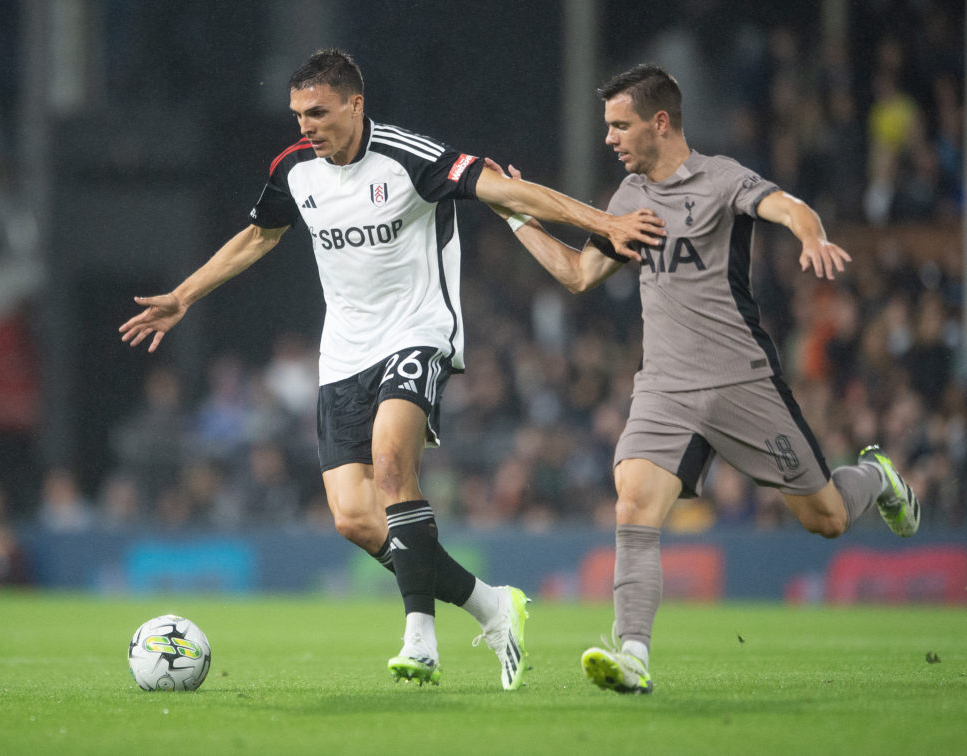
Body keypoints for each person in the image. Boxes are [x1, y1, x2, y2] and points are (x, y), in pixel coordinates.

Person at [118, 48, 662, 689]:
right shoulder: (294, 170)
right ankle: (491, 605)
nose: (305, 127)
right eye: (297, 115)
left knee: (391, 464)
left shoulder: (410, 157)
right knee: (353, 517)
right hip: (342, 352)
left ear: (355, 104)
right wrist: (183, 295)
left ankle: (421, 640)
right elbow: (258, 235)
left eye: (317, 112)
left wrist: (606, 221)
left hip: (416, 333)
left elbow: (511, 190)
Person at [485, 63, 921, 694]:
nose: (609, 138)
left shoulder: (721, 180)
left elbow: (787, 205)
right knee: (633, 503)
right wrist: (516, 216)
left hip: (741, 380)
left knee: (824, 516)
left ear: (660, 122)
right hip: (663, 387)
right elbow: (580, 275)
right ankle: (632, 656)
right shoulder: (628, 198)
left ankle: (876, 477)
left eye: (620, 124)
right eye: (607, 125)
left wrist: (812, 235)